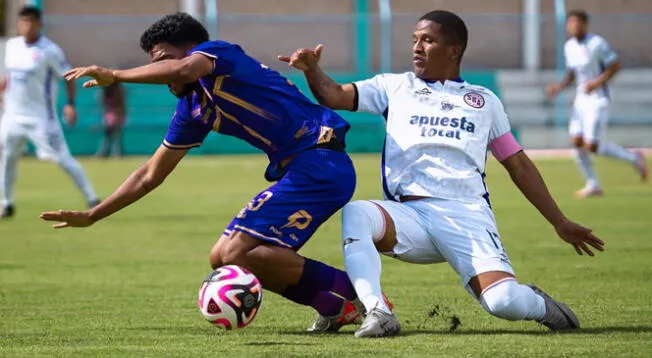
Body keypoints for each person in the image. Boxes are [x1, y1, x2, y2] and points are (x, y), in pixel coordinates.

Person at [280, 9, 605, 338]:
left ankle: (537, 303)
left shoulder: (484, 102)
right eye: (415, 40)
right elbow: (334, 95)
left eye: (428, 40)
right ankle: (379, 311)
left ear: (454, 50)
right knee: (357, 212)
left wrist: (559, 221)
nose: (417, 48)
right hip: (411, 217)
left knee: (503, 302)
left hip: (467, 217)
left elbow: (517, 163)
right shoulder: (394, 87)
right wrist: (312, 70)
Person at [39, 12, 370, 332]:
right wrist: (95, 214)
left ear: (192, 49)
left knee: (235, 252)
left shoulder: (219, 53)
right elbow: (149, 175)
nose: (162, 71)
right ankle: (336, 307)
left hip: (320, 160)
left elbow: (184, 68)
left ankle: (362, 295)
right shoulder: (192, 108)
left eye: (163, 60)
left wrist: (115, 74)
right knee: (222, 257)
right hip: (303, 169)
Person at [0, 6, 100, 217]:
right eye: (23, 21)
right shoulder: (11, 46)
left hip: (41, 119)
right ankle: (6, 203)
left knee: (64, 159)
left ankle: (92, 198)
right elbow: (8, 77)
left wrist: (70, 104)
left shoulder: (49, 50)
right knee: (7, 159)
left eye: (31, 21)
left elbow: (68, 76)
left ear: (39, 24)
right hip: (12, 117)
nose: (26, 26)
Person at [546, 9, 647, 198]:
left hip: (598, 99)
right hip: (580, 99)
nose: (574, 25)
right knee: (577, 142)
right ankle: (592, 184)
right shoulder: (569, 46)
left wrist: (597, 83)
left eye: (578, 22)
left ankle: (634, 157)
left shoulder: (597, 43)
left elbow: (615, 65)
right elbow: (572, 73)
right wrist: (559, 87)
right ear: (568, 26)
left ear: (585, 24)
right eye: (571, 22)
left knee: (591, 145)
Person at [97, 82, 126, 158]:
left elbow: (121, 106)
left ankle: (116, 154)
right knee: (108, 136)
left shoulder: (119, 92)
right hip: (109, 115)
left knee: (116, 137)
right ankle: (105, 153)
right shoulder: (106, 92)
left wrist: (118, 116)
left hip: (117, 115)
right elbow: (103, 104)